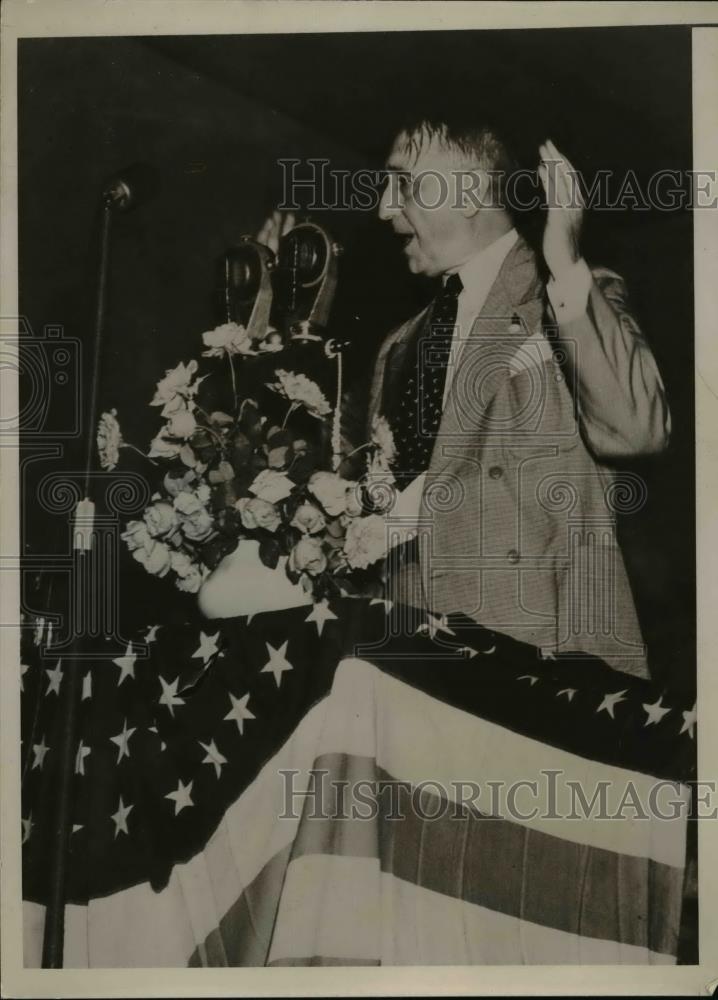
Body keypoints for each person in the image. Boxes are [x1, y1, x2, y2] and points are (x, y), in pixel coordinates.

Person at [365, 117, 671, 677]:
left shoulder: (571, 297)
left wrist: (564, 262)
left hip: (542, 658)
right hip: (408, 666)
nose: (384, 207)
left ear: (472, 193)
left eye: (402, 184)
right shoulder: (397, 347)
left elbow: (638, 428)